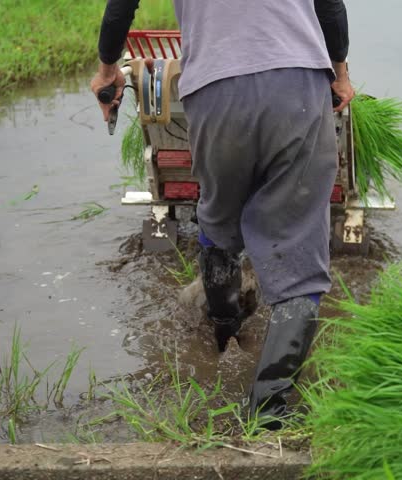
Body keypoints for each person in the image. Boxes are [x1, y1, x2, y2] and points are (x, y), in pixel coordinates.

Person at [91, 0, 353, 428]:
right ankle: (269, 418)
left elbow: (122, 4)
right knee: (301, 257)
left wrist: (107, 69)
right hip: (298, 84)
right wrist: (340, 74)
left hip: (214, 91)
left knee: (218, 218)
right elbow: (329, 5)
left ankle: (225, 333)